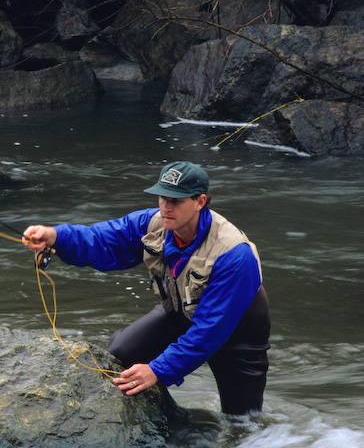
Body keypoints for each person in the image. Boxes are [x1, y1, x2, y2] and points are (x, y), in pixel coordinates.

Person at [22, 160, 270, 416]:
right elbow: (103, 240)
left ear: (200, 201)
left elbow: (211, 331)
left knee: (242, 421)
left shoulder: (234, 255)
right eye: (163, 198)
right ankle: (166, 419)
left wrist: (156, 370)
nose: (166, 207)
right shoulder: (153, 224)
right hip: (180, 312)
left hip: (237, 337)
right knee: (120, 355)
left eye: (176, 200)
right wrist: (56, 237)